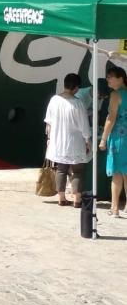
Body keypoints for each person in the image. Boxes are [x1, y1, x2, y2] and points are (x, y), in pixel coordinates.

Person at [44, 73, 90, 207]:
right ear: (76, 88)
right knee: (78, 171)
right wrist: (88, 140)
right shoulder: (78, 103)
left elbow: (48, 122)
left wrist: (49, 138)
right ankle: (77, 199)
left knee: (61, 169)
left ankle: (61, 198)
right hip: (75, 142)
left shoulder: (54, 100)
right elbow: (84, 125)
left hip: (58, 141)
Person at [99, 65, 127, 216]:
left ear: (120, 78)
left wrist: (103, 138)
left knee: (117, 173)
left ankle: (115, 207)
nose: (108, 79)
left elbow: (111, 118)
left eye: (111, 76)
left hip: (119, 138)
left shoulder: (116, 95)